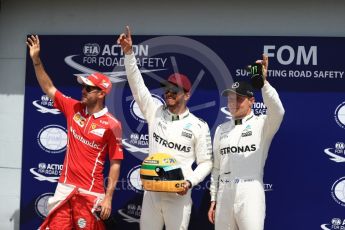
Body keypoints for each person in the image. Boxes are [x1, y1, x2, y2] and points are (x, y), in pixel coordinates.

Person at [117, 26, 213, 230]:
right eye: (167, 88)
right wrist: (128, 53)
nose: (169, 93)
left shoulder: (199, 126)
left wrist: (189, 182)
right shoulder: (154, 110)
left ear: (186, 95)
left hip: (178, 195)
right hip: (152, 193)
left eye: (175, 90)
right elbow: (137, 85)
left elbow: (206, 163)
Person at [26, 35, 123, 230]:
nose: (83, 91)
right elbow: (49, 88)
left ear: (101, 93)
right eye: (83, 87)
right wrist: (36, 60)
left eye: (89, 88)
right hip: (64, 187)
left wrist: (108, 198)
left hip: (91, 192)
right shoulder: (73, 108)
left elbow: (115, 163)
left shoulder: (113, 124)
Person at [208, 55, 285, 230]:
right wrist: (214, 198)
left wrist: (263, 83)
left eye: (239, 99)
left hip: (249, 191)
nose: (233, 103)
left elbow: (278, 111)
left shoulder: (263, 124)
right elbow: (217, 168)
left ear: (252, 101)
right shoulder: (221, 129)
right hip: (224, 193)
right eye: (230, 99)